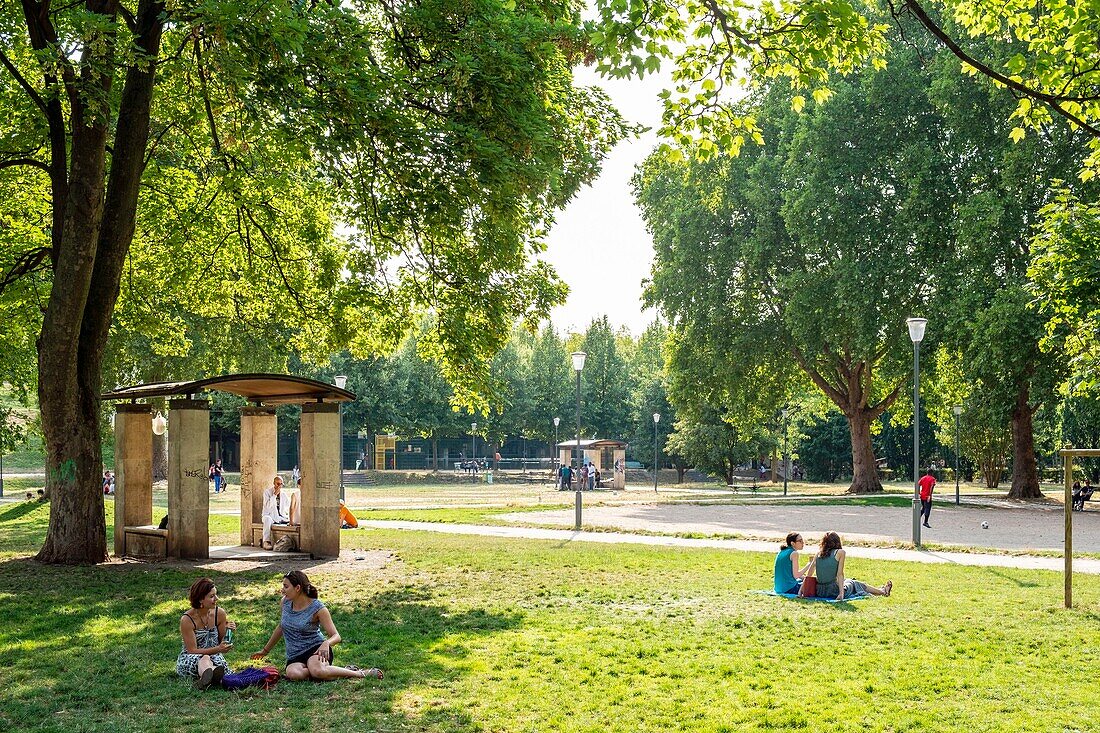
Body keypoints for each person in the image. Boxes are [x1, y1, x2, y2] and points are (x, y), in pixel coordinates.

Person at [251, 570, 382, 681]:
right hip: (295, 655)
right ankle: (331, 670)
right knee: (294, 675)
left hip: (316, 649)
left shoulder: (318, 608)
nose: (282, 590)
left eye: (286, 586)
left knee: (318, 671)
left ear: (297, 588)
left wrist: (326, 644)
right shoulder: (284, 603)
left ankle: (359, 673)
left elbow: (336, 636)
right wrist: (265, 651)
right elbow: (281, 627)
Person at [177, 577, 235, 690]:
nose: (216, 599)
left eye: (216, 595)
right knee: (205, 658)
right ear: (200, 600)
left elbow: (223, 642)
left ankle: (207, 678)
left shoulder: (220, 613)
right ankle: (213, 674)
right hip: (192, 658)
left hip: (215, 656)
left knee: (210, 659)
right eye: (212, 596)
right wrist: (218, 649)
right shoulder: (187, 619)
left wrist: (229, 631)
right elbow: (192, 650)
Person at [803, 532, 892, 601]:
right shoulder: (840, 552)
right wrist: (841, 594)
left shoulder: (818, 554)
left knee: (848, 581)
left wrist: (801, 592)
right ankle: (882, 592)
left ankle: (881, 590)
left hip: (820, 591)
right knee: (854, 583)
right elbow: (840, 574)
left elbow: (808, 575)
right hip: (833, 590)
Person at [261, 476, 289, 550]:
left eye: (281, 484)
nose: (279, 486)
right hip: (268, 515)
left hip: (280, 517)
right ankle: (266, 541)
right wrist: (274, 495)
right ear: (274, 483)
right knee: (267, 520)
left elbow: (288, 506)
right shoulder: (267, 492)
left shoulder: (283, 494)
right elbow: (268, 505)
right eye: (277, 484)